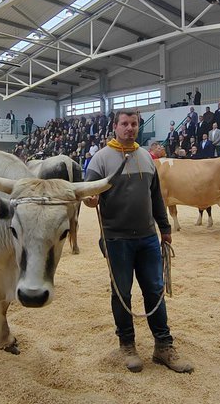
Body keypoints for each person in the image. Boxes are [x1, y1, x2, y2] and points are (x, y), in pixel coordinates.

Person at [83, 109, 193, 374]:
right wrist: (91, 199)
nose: (129, 128)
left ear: (138, 126)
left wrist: (164, 228)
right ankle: (127, 345)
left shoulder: (146, 157)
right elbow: (89, 195)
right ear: (115, 126)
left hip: (147, 238)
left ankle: (163, 347)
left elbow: (156, 197)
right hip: (115, 238)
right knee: (122, 293)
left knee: (155, 291)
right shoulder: (100, 159)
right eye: (124, 124)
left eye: (134, 124)